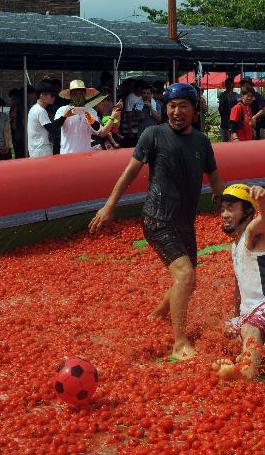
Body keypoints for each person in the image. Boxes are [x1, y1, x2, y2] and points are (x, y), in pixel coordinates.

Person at [89, 83, 225, 360]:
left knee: (190, 281)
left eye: (183, 106)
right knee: (185, 275)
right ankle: (179, 343)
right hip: (157, 218)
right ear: (165, 109)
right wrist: (109, 207)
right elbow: (128, 173)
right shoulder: (153, 135)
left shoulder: (201, 142)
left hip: (184, 221)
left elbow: (215, 176)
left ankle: (159, 314)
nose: (176, 112)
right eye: (171, 106)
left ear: (194, 111)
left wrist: (225, 204)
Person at [212, 184, 265, 380]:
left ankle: (247, 375)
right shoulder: (234, 248)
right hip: (253, 312)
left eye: (231, 208)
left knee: (250, 328)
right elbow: (238, 289)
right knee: (222, 331)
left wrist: (263, 199)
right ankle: (260, 352)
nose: (224, 214)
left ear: (248, 212)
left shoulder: (253, 233)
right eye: (223, 209)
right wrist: (237, 319)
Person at [54, 80, 121, 155]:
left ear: (85, 94)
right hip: (67, 153)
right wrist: (65, 116)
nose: (79, 95)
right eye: (75, 92)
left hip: (85, 154)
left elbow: (100, 131)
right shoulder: (62, 110)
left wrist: (91, 119)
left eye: (81, 92)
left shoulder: (90, 111)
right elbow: (54, 128)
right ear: (71, 94)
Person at [27, 83, 57, 158]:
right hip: (41, 150)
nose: (53, 98)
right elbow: (52, 129)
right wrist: (65, 117)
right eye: (52, 95)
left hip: (36, 148)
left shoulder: (34, 108)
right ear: (42, 96)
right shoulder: (40, 111)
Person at [217, 76, 238, 142]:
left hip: (234, 119)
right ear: (225, 85)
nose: (229, 85)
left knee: (233, 138)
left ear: (233, 84)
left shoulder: (236, 95)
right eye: (227, 83)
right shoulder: (223, 95)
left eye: (230, 83)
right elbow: (220, 107)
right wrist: (223, 116)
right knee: (226, 139)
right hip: (225, 119)